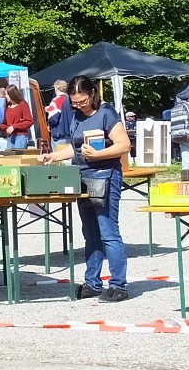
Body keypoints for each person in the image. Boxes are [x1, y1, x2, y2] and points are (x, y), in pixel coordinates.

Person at [40, 75, 131, 302]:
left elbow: (124, 145)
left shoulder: (106, 112)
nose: (79, 105)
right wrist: (54, 156)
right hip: (82, 178)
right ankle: (93, 282)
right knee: (90, 234)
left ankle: (118, 284)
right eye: (74, 102)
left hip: (106, 177)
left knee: (108, 232)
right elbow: (76, 148)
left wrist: (99, 154)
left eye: (82, 101)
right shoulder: (77, 116)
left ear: (92, 94)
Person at [3, 85, 33, 149]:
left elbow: (29, 121)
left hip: (20, 136)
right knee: (10, 158)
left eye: (7, 94)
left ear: (12, 94)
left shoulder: (23, 104)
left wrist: (14, 126)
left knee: (18, 156)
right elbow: (6, 124)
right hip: (9, 137)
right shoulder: (7, 106)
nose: (6, 96)